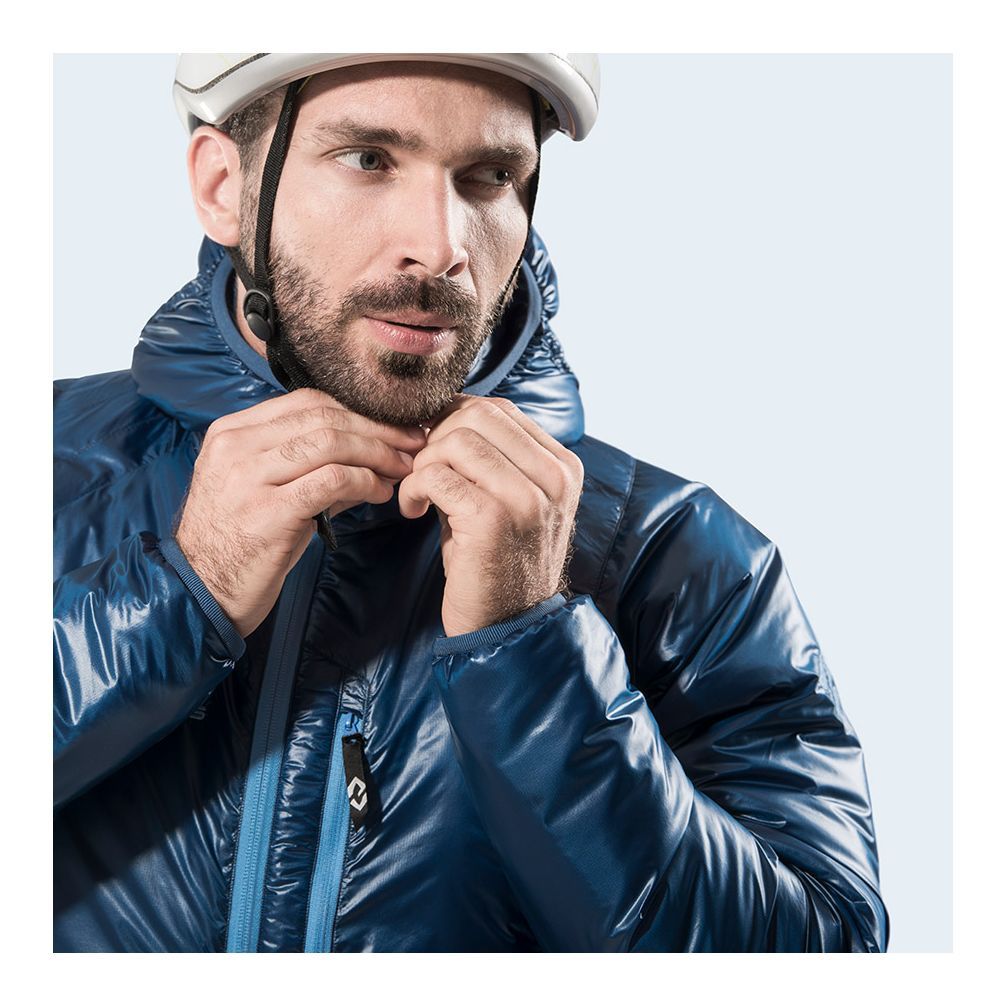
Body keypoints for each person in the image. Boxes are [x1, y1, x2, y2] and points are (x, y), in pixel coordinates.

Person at [53, 53, 890, 952]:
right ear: (223, 187)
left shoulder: (682, 556)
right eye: (368, 159)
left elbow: (826, 953)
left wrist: (534, 653)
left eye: (488, 176)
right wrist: (178, 592)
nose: (440, 244)